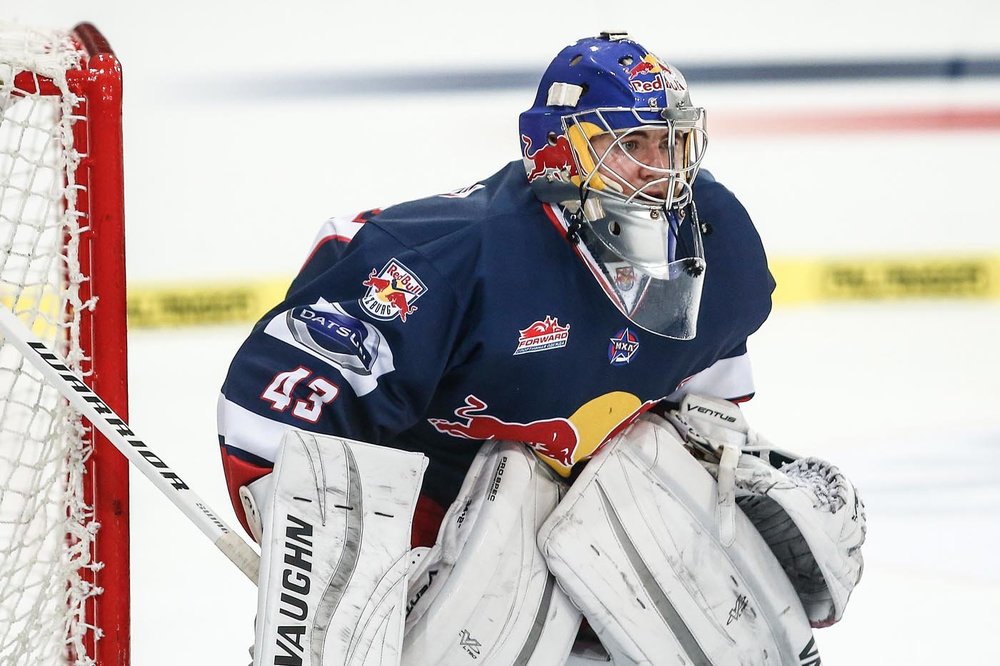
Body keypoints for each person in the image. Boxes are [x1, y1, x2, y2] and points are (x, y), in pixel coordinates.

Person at [218, 31, 861, 664]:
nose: (661, 171)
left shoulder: (719, 244)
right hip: (437, 531)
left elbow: (706, 403)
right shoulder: (442, 262)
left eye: (672, 143)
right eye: (630, 143)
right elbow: (274, 426)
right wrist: (335, 587)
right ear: (556, 150)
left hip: (596, 508)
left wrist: (721, 480)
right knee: (514, 482)